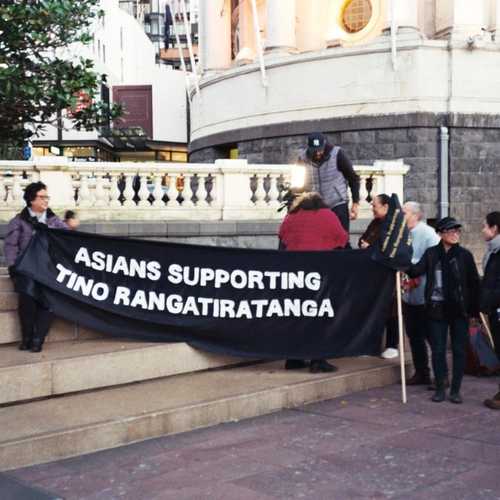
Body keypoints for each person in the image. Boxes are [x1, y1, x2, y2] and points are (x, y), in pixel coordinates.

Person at [407, 217, 480, 404]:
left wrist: (474, 313)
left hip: (459, 310)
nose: (455, 234)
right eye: (450, 231)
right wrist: (399, 259)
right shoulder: (432, 254)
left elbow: (473, 285)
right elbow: (416, 271)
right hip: (436, 308)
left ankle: (455, 390)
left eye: (457, 231)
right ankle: (440, 388)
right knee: (438, 350)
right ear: (440, 234)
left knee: (458, 351)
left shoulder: (464, 255)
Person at [279, 191, 348, 373]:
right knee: (319, 315)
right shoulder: (328, 216)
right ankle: (318, 359)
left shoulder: (291, 217)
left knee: (295, 315)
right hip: (320, 273)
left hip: (294, 275)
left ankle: (293, 358)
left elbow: (282, 239)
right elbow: (342, 239)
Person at [4, 182, 67, 352]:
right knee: (27, 298)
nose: (46, 200)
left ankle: (38, 339)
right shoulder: (19, 221)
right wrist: (13, 267)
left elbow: (68, 240)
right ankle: (27, 337)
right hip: (26, 269)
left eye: (47, 197)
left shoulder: (54, 221)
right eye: (42, 197)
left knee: (50, 301)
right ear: (32, 199)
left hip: (48, 269)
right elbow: (11, 246)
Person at [401, 202, 441, 386]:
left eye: (404, 212)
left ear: (415, 215)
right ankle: (421, 371)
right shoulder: (403, 233)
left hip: (426, 293)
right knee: (414, 335)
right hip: (409, 294)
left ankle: (439, 374)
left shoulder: (428, 234)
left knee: (432, 337)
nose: (401, 215)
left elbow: (435, 261)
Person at [358, 194, 398, 359]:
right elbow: (363, 238)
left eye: (375, 205)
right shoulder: (375, 222)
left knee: (390, 310)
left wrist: (370, 246)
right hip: (371, 274)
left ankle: (391, 344)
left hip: (387, 274)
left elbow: (389, 246)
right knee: (373, 309)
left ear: (386, 207)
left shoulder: (393, 225)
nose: (372, 208)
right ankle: (371, 344)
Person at [299, 132, 360, 234]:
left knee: (341, 240)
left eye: (320, 150)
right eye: (314, 151)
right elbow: (299, 185)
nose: (318, 153)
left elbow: (353, 178)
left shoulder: (337, 154)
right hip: (315, 208)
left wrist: (355, 203)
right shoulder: (303, 159)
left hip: (337, 204)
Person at [480, 212, 500, 410]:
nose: (482, 230)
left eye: (485, 226)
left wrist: (488, 303)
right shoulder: (493, 251)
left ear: (494, 229)